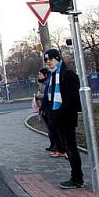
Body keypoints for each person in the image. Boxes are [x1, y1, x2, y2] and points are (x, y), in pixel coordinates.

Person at [44, 49, 83, 189]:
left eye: (50, 59)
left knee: (71, 148)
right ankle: (76, 177)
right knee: (68, 147)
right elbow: (51, 98)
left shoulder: (67, 75)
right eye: (46, 60)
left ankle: (77, 179)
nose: (48, 61)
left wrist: (58, 114)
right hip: (59, 117)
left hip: (66, 117)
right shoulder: (54, 75)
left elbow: (72, 99)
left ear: (57, 58)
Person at [36, 68, 64, 155]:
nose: (39, 76)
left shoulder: (48, 82)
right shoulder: (41, 82)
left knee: (53, 129)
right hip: (44, 107)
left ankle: (57, 147)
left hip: (48, 108)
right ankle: (53, 145)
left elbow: (47, 95)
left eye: (40, 74)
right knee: (50, 129)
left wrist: (39, 95)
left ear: (45, 75)